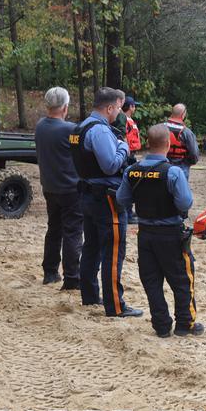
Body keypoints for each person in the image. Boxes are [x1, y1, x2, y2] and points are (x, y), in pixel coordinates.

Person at [116, 125, 203, 337]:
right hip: (171, 234)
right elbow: (185, 203)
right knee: (182, 279)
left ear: (147, 143)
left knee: (151, 281)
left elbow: (121, 199)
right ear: (169, 143)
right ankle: (185, 324)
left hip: (145, 234)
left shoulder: (132, 171)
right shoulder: (172, 172)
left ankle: (161, 325)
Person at [71, 87, 142, 317]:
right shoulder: (100, 131)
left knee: (91, 246)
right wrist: (123, 146)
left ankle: (90, 295)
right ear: (109, 107)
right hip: (105, 198)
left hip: (87, 194)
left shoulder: (79, 128)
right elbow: (110, 165)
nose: (118, 114)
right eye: (117, 109)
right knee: (113, 250)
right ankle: (115, 306)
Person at [34, 87, 83, 291]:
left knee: (54, 229)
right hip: (70, 188)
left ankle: (50, 272)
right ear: (65, 107)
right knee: (72, 232)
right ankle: (72, 277)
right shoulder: (70, 130)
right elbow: (82, 149)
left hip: (50, 186)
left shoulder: (40, 126)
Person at [162, 103, 200, 179]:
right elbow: (194, 154)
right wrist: (188, 163)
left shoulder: (160, 128)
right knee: (180, 190)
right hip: (181, 167)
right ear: (183, 114)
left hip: (162, 166)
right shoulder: (187, 132)